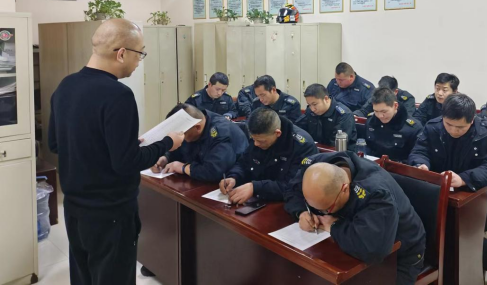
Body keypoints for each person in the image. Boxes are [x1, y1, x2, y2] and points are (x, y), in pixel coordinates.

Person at [48, 19, 185, 285]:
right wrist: (167, 142)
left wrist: (118, 143)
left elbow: (56, 143)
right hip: (110, 212)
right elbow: (126, 163)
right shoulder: (118, 95)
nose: (139, 62)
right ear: (122, 53)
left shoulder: (66, 85)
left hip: (75, 209)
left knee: (84, 276)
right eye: (140, 53)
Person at [408, 93, 487, 285]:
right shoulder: (433, 127)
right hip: (441, 193)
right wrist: (421, 165)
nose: (453, 130)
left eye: (460, 127)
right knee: (418, 220)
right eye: (448, 124)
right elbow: (419, 151)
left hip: (482, 196)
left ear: (472, 119)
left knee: (455, 229)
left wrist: (464, 179)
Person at [284, 151, 426, 285]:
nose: (323, 214)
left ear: (344, 189)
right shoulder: (316, 166)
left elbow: (373, 249)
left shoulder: (376, 193)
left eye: (327, 209)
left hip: (402, 254)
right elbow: (291, 190)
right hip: (352, 248)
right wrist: (302, 211)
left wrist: (334, 226)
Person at [219, 108, 317, 204]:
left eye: (261, 141)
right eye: (253, 139)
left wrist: (255, 187)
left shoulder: (302, 146)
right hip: (257, 198)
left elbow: (293, 186)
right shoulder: (258, 135)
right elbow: (243, 162)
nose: (256, 144)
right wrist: (234, 177)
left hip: (285, 203)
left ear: (277, 133)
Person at [152, 104, 248, 181]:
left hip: (228, 184)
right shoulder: (192, 126)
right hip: (196, 181)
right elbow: (180, 149)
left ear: (197, 127)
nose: (178, 137)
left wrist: (183, 167)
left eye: (181, 133)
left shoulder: (220, 133)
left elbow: (214, 171)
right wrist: (166, 158)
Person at [365, 87, 422, 162]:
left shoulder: (413, 128)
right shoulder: (370, 121)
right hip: (371, 165)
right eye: (376, 111)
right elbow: (367, 147)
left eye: (384, 112)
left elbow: (416, 156)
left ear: (395, 106)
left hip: (398, 167)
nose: (380, 116)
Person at [296, 83, 357, 150]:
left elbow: (335, 145)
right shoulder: (310, 111)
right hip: (315, 150)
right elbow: (298, 129)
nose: (312, 109)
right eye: (309, 105)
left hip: (339, 154)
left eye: (315, 104)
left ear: (326, 99)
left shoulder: (343, 115)